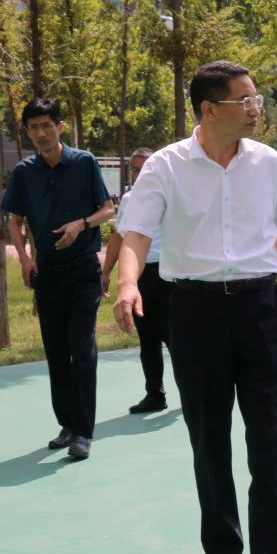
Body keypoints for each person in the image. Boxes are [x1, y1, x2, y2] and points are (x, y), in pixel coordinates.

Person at [114, 60, 277, 554]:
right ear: (209, 109)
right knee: (208, 437)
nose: (255, 108)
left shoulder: (269, 163)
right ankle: (224, 549)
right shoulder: (166, 166)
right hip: (195, 313)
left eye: (256, 98)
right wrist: (127, 284)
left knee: (268, 439)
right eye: (245, 100)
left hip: (261, 309)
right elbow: (136, 235)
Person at [2, 98, 114, 460]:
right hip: (47, 273)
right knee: (56, 351)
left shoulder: (84, 162)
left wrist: (81, 224)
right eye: (33, 128)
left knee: (81, 348)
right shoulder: (24, 172)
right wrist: (24, 260)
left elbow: (107, 209)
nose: (40, 133)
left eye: (46, 125)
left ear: (60, 127)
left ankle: (83, 431)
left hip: (83, 270)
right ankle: (67, 424)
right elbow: (15, 220)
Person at [102, 148, 174, 413]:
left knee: (177, 339)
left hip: (169, 276)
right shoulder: (130, 200)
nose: (139, 173)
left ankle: (195, 392)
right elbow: (119, 238)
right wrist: (106, 272)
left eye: (144, 167)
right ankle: (155, 395)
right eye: (134, 168)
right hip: (140, 277)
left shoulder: (172, 194)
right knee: (148, 339)